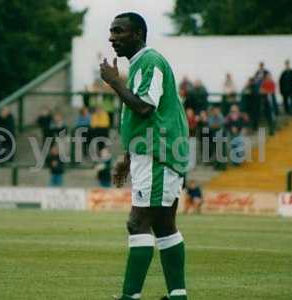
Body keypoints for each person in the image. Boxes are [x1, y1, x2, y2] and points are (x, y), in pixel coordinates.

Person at [100, 12, 190, 300]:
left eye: (119, 31)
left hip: (158, 156)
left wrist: (115, 83)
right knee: (164, 225)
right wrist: (128, 158)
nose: (112, 37)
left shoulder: (150, 61)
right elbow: (147, 118)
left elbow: (145, 108)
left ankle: (130, 296)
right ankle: (177, 295)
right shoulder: (141, 64)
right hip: (152, 154)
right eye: (111, 31)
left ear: (137, 33)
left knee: (137, 223)